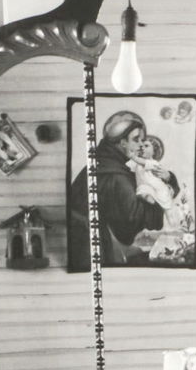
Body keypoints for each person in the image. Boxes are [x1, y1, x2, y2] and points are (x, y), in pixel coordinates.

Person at [68, 110, 167, 266]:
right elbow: (128, 226)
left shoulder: (102, 163)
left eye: (143, 140)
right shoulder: (116, 175)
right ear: (122, 143)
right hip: (92, 248)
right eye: (136, 140)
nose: (141, 145)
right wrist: (157, 203)